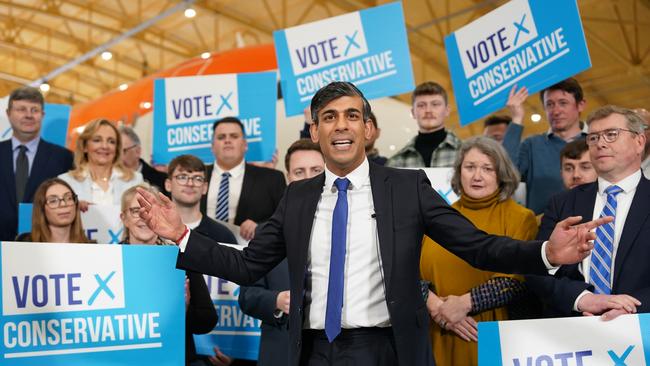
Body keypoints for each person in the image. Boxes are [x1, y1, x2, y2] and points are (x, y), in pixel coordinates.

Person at [137, 81, 609, 366]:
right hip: (314, 351)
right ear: (315, 131)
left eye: (351, 116)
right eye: (329, 118)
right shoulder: (297, 197)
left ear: (368, 129)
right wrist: (180, 233)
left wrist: (546, 252)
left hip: (389, 350)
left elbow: (479, 246)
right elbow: (246, 265)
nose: (340, 126)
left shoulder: (407, 188)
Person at [420, 137, 538, 366]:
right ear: (458, 172)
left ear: (501, 174)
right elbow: (405, 271)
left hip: (490, 334)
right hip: (435, 331)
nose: (477, 176)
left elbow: (516, 279)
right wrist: (437, 308)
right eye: (470, 167)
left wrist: (463, 304)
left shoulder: (521, 217)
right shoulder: (435, 216)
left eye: (487, 168)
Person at [528, 106, 647, 319]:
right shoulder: (562, 203)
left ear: (639, 142)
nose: (600, 143)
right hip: (573, 331)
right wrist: (582, 299)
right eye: (593, 138)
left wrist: (632, 308)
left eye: (611, 135)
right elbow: (537, 269)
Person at [238, 139, 325, 366]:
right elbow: (246, 296)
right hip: (282, 351)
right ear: (288, 178)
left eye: (316, 170)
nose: (308, 178)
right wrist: (276, 300)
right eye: (299, 171)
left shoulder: (355, 226)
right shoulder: (268, 232)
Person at [119, 184, 217, 365]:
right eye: (135, 211)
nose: (144, 217)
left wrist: (185, 308)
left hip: (176, 358)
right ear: (123, 218)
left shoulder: (183, 258)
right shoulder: (108, 261)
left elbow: (207, 321)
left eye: (150, 209)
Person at [503, 78, 588, 214]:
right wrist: (517, 119)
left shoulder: (596, 142)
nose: (556, 111)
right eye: (549, 104)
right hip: (543, 230)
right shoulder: (531, 145)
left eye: (563, 103)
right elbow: (504, 173)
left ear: (581, 105)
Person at [0, 86, 73, 241]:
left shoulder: (64, 158)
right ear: (8, 114)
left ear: (43, 115)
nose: (28, 115)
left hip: (43, 244)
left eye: (34, 110)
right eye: (21, 109)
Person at [201, 117, 286, 240]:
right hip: (201, 250)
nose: (227, 141)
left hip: (249, 253)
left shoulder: (271, 178)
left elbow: (286, 218)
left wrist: (260, 226)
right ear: (212, 147)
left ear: (245, 145)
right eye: (221, 137)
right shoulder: (196, 175)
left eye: (234, 136)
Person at [59, 118, 143, 211]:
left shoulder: (135, 180)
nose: (105, 146)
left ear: (117, 148)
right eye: (97, 140)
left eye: (111, 141)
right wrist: (73, 211)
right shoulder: (66, 181)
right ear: (85, 146)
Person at [386, 81, 461, 168]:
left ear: (447, 110)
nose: (428, 110)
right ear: (413, 112)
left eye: (435, 104)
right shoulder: (396, 162)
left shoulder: (465, 154)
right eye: (421, 105)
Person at [16, 178, 91, 243]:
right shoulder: (25, 243)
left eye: (68, 198)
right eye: (53, 201)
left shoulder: (92, 248)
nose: (63, 204)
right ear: (42, 209)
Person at [120, 125, 168, 193]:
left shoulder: (161, 180)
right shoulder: (108, 180)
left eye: (122, 151)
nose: (116, 157)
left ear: (138, 151)